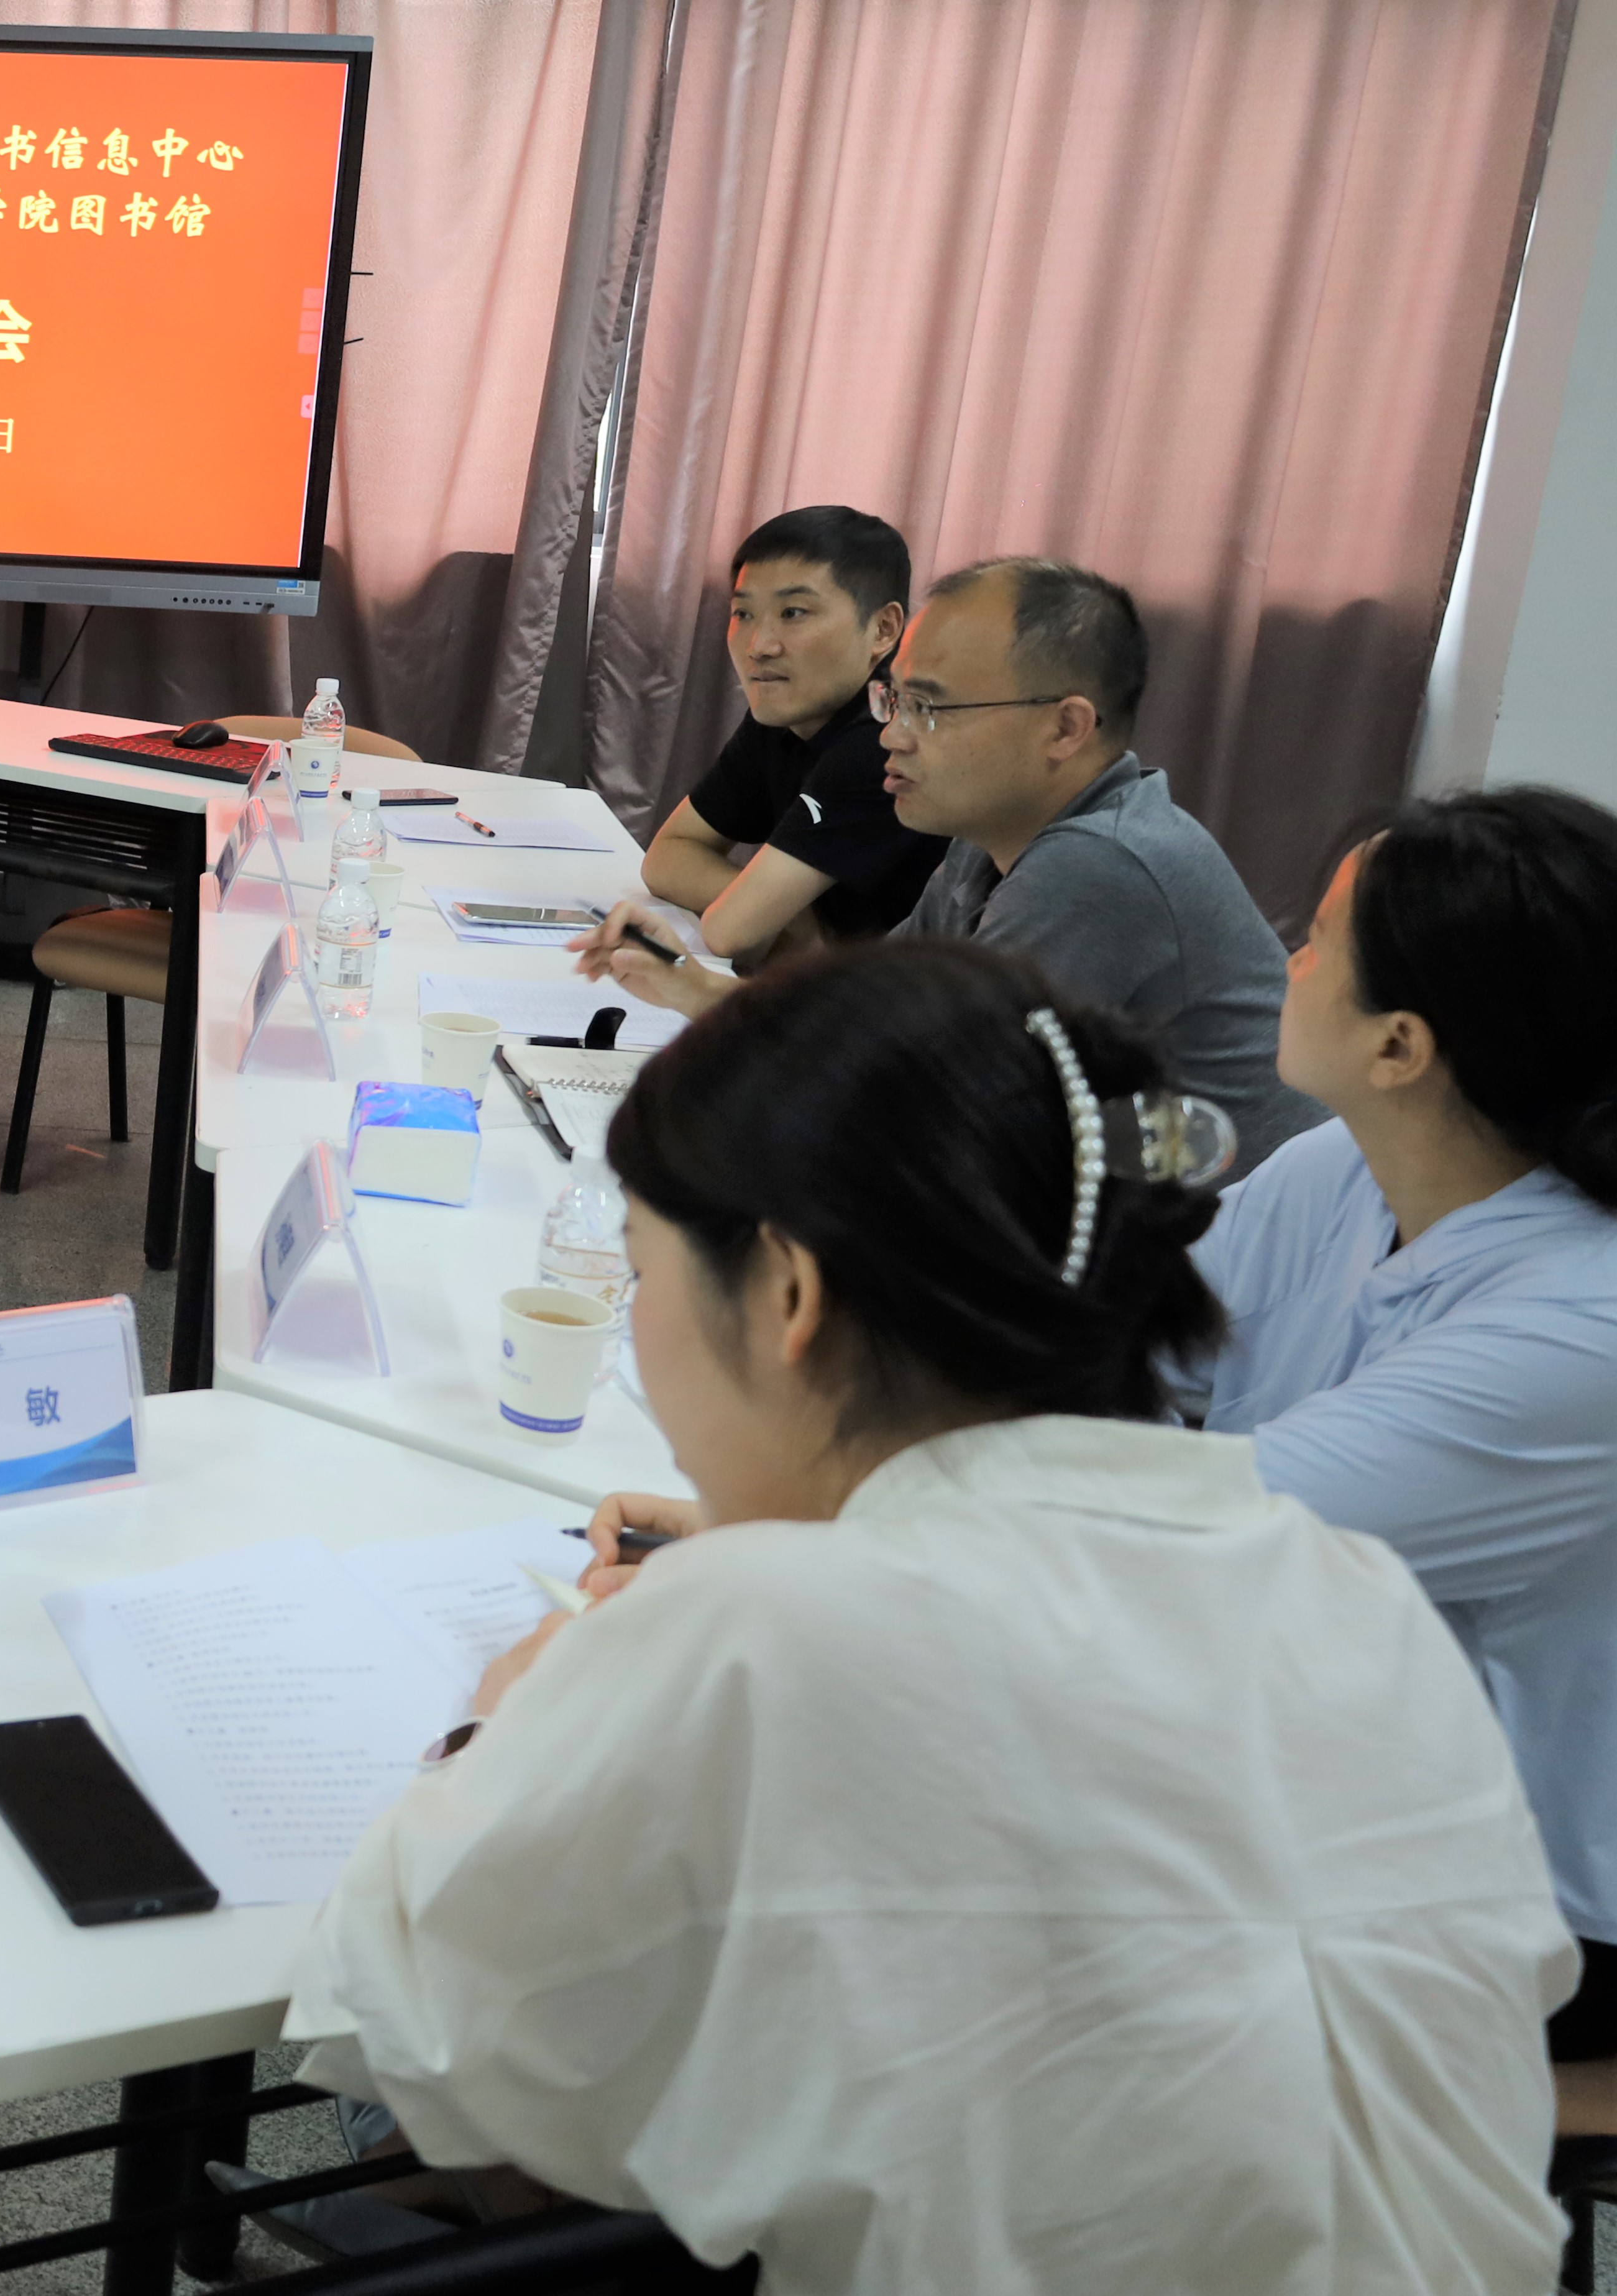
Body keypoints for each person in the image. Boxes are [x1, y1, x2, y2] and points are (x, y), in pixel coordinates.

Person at [287, 940, 1569, 2294]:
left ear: (789, 1294)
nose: (642, 1327)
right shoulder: (1347, 1589)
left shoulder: (757, 1628)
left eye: (641, 1271)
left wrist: (508, 1718)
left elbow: (414, 2019)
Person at [1173, 787, 1617, 2128]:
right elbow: (1113, 1351)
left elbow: (1206, 1534)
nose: (1285, 956)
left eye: (1315, 939)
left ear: (1402, 1044)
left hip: (1527, 1899)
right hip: (1335, 1765)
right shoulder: (1348, 1171)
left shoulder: (1580, 1321)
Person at [580, 556, 1326, 1173]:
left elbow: (935, 1105)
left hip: (1212, 1258)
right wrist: (693, 987)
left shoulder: (1100, 866)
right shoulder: (991, 833)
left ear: (1065, 728)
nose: (893, 736)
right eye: (895, 700)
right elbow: (874, 1015)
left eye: (930, 709)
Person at [634, 506, 943, 956]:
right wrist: (795, 921)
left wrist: (760, 913)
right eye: (743, 614)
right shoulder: (787, 710)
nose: (760, 646)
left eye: (793, 613)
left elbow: (730, 929)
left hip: (909, 992)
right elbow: (666, 857)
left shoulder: (886, 739)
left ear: (883, 629)